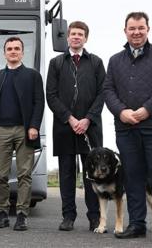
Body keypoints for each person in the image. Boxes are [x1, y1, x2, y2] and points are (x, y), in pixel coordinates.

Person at [104, 12, 152, 243]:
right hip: (126, 130)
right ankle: (137, 224)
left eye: (141, 28)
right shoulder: (115, 60)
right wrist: (121, 112)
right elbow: (108, 90)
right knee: (133, 177)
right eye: (132, 28)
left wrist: (147, 109)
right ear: (125, 30)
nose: (136, 32)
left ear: (148, 29)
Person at [46, 21, 104, 232]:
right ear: (67, 37)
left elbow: (102, 93)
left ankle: (94, 217)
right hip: (64, 127)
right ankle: (68, 216)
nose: (76, 37)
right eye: (73, 34)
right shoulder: (56, 63)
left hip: (90, 128)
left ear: (86, 38)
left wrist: (87, 119)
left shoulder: (96, 62)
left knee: (92, 174)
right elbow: (50, 95)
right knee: (67, 174)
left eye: (80, 34)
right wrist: (70, 118)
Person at [0, 37, 45, 231]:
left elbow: (39, 102)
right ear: (4, 53)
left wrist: (34, 126)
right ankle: (2, 213)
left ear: (22, 52)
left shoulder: (32, 76)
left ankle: (22, 215)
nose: (13, 51)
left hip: (25, 129)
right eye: (9, 49)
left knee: (24, 175)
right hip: (1, 131)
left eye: (17, 49)